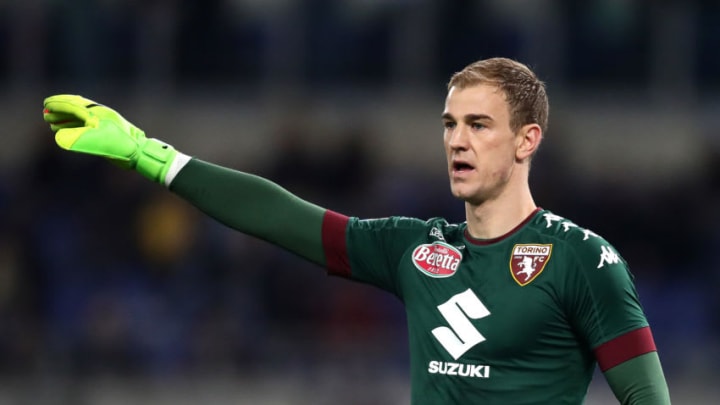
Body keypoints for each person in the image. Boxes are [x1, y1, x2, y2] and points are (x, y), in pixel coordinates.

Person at [42, 57, 671, 404]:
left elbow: (647, 399)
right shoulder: (414, 249)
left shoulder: (582, 260)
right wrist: (147, 153)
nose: (457, 140)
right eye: (449, 123)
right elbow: (282, 217)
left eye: (479, 125)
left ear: (528, 140)